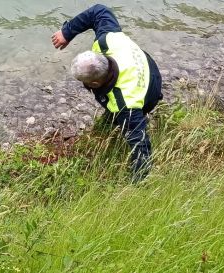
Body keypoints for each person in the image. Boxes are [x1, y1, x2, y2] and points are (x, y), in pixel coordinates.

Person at [51, 4, 163, 182]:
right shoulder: (108, 40)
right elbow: (98, 10)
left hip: (151, 90)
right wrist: (67, 32)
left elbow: (141, 145)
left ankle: (122, 119)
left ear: (95, 82)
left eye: (84, 82)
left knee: (130, 127)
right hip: (145, 63)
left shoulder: (125, 103)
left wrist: (137, 183)